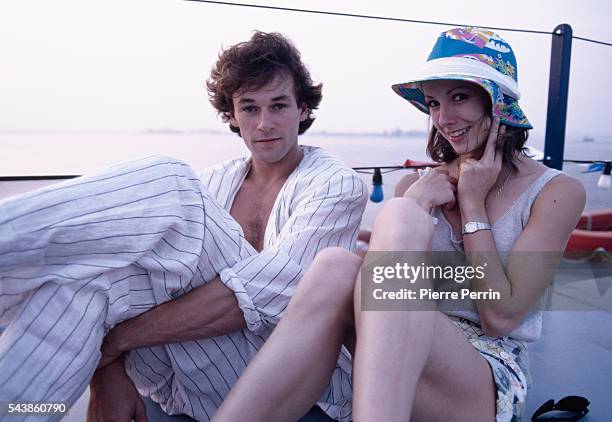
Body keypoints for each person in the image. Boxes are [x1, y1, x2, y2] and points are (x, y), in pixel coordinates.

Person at [211, 27, 586, 422]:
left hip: (482, 380)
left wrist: (473, 205)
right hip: (397, 362)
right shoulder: (419, 186)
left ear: (497, 103)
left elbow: (501, 318)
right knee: (336, 265)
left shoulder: (556, 192)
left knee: (398, 217)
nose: (444, 118)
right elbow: (386, 295)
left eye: (459, 97)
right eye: (434, 103)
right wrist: (418, 202)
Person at [0, 32, 367, 421]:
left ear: (303, 109)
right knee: (86, 282)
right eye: (249, 108)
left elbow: (272, 294)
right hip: (186, 381)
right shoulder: (212, 183)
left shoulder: (335, 184)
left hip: (290, 380)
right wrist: (106, 371)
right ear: (231, 115)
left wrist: (116, 342)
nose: (264, 124)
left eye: (278, 106)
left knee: (172, 181)